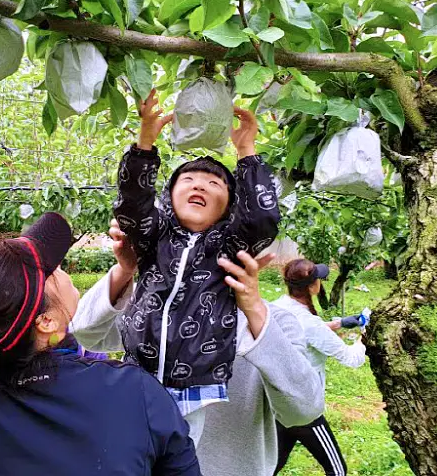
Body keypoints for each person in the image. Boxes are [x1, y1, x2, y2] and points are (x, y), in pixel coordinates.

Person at [0, 212, 201, 476]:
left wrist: (124, 271)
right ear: (46, 322)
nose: (62, 271)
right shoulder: (134, 392)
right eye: (53, 270)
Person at [72, 220, 324, 476]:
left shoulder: (275, 322)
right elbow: (87, 332)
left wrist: (253, 310)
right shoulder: (158, 306)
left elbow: (303, 410)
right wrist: (125, 270)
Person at [114, 88, 280, 441]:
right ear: (170, 197)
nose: (199, 185)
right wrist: (144, 144)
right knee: (126, 454)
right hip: (135, 375)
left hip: (194, 387)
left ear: (230, 205)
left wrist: (247, 153)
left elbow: (262, 218)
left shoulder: (230, 245)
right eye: (187, 180)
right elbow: (131, 206)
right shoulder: (155, 235)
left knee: (177, 457)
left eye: (214, 182)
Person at [271, 259, 367, 476]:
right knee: (337, 470)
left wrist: (339, 323)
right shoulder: (310, 323)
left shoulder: (277, 306)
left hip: (278, 400)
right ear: (312, 286)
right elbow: (352, 359)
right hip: (303, 406)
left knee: (270, 466)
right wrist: (365, 338)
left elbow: (299, 332)